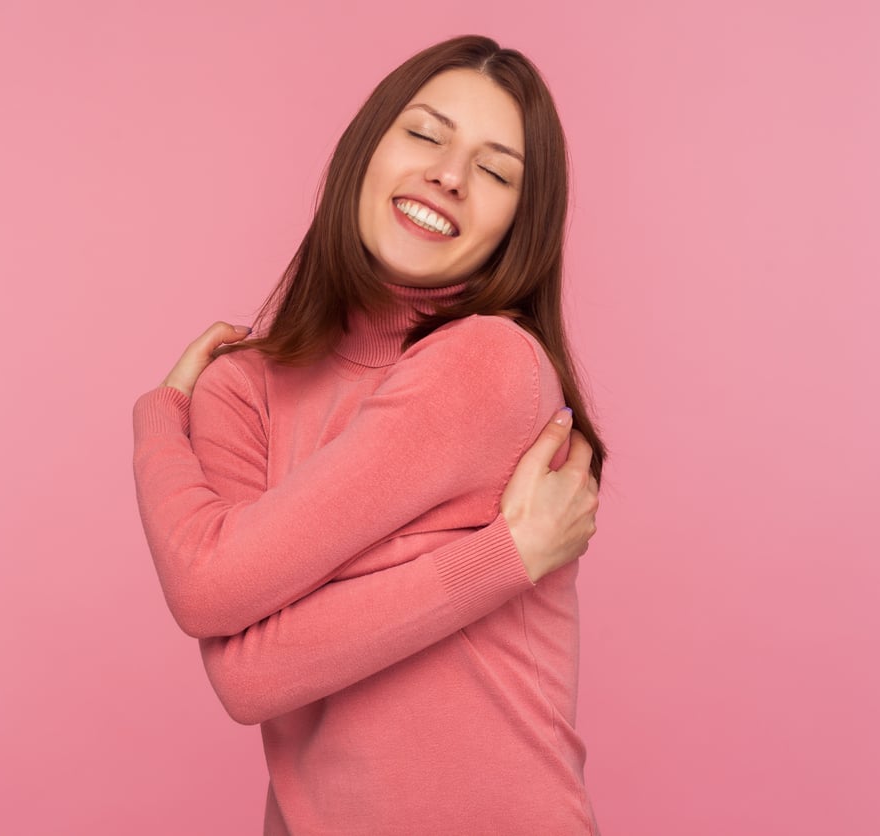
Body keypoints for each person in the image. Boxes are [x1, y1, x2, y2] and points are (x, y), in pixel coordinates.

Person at [133, 35, 606, 835]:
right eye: (424, 134)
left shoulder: (489, 363)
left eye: (495, 173)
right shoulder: (241, 388)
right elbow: (238, 657)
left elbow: (236, 622)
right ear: (366, 149)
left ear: (517, 228)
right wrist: (159, 414)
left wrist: (288, 598)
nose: (449, 176)